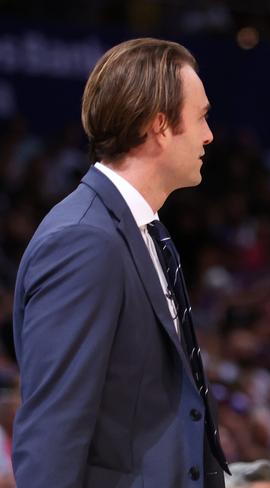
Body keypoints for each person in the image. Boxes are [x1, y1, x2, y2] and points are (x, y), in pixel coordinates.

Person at [12, 38, 229, 486]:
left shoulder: (148, 232)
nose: (210, 134)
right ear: (159, 125)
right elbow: (54, 430)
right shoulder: (84, 241)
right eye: (202, 115)